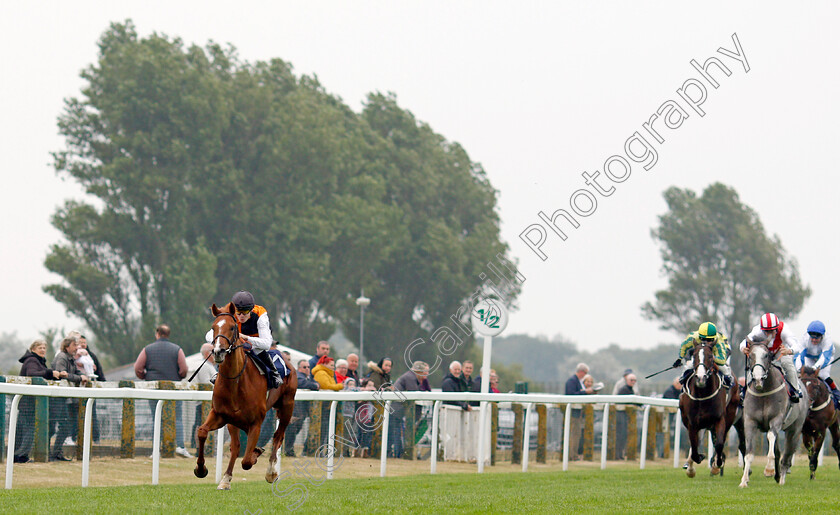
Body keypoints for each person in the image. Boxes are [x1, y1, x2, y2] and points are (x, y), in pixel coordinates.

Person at [134, 324, 191, 458]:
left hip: (153, 388)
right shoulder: (177, 349)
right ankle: (180, 446)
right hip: (173, 388)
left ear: (157, 334)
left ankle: (156, 450)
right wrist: (178, 376)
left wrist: (146, 377)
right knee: (177, 418)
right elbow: (184, 369)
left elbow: (138, 368)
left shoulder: (147, 349)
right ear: (168, 334)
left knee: (156, 417)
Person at [206, 290, 283, 388]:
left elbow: (266, 344)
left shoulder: (260, 314)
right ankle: (218, 372)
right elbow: (209, 335)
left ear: (251, 309)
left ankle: (274, 372)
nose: (241, 316)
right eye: (238, 312)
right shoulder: (229, 312)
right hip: (237, 340)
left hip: (257, 339)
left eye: (245, 312)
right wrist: (219, 341)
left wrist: (246, 337)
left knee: (257, 349)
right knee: (226, 348)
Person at [14, 340, 68, 463]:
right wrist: (50, 372)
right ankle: (21, 456)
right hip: (28, 403)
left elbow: (43, 374)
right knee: (29, 429)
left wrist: (57, 375)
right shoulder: (32, 360)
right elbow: (32, 374)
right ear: (33, 349)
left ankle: (19, 455)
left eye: (44, 347)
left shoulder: (38, 361)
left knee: (25, 429)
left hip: (30, 402)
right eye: (40, 347)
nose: (43, 350)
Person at [739, 312, 802, 402]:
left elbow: (797, 345)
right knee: (754, 365)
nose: (769, 334)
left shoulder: (784, 330)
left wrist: (789, 351)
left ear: (776, 328)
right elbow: (744, 342)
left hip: (780, 351)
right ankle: (746, 391)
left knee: (787, 363)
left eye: (772, 331)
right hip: (765, 353)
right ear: (762, 329)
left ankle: (796, 389)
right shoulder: (757, 331)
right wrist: (743, 348)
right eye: (766, 331)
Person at [50, 336, 89, 461]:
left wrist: (82, 375)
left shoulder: (70, 358)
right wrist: (79, 378)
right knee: (54, 425)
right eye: (74, 345)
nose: (77, 348)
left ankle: (56, 452)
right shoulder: (62, 357)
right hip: (56, 397)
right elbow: (63, 374)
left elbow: (75, 372)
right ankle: (49, 453)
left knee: (65, 425)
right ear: (67, 347)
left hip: (62, 397)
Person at [674, 322, 733, 389]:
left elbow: (722, 360)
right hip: (704, 351)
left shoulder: (718, 341)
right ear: (699, 337)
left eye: (709, 340)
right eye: (703, 339)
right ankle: (683, 377)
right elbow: (684, 348)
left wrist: (713, 358)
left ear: (713, 338)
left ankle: (728, 378)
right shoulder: (692, 337)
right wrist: (680, 359)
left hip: (722, 350)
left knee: (723, 367)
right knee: (690, 364)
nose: (706, 342)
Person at [794, 320, 840, 407]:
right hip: (809, 357)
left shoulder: (827, 341)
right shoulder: (804, 339)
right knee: (804, 376)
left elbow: (824, 357)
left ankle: (836, 393)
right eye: (812, 337)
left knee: (823, 375)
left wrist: (815, 368)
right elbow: (799, 356)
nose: (814, 340)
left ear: (822, 336)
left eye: (817, 338)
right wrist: (800, 369)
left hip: (826, 358)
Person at [391, 361, 431, 458]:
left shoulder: (411, 376)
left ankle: (399, 453)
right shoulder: (410, 378)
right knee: (397, 433)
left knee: (397, 432)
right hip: (398, 409)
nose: (426, 375)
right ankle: (399, 454)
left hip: (398, 409)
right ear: (419, 372)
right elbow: (413, 393)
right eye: (424, 372)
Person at [285, 360, 320, 457]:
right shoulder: (298, 376)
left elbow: (315, 383)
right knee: (291, 429)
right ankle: (287, 450)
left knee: (296, 428)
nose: (307, 369)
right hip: (295, 409)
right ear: (299, 368)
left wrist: (315, 384)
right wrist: (315, 385)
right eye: (304, 367)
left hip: (300, 411)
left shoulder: (307, 377)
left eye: (308, 367)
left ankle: (288, 450)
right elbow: (302, 383)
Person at [565, 363, 594, 460]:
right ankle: (572, 456)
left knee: (577, 434)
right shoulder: (572, 381)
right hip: (573, 412)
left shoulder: (577, 381)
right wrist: (585, 392)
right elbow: (571, 394)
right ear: (581, 372)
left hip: (577, 412)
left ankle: (574, 455)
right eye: (585, 373)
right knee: (574, 434)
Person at [615, 373, 637, 460]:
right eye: (631, 380)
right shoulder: (624, 389)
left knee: (623, 436)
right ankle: (618, 455)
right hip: (620, 414)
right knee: (620, 435)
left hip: (624, 415)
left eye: (634, 380)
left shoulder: (630, 389)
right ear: (627, 381)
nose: (633, 382)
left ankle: (620, 454)